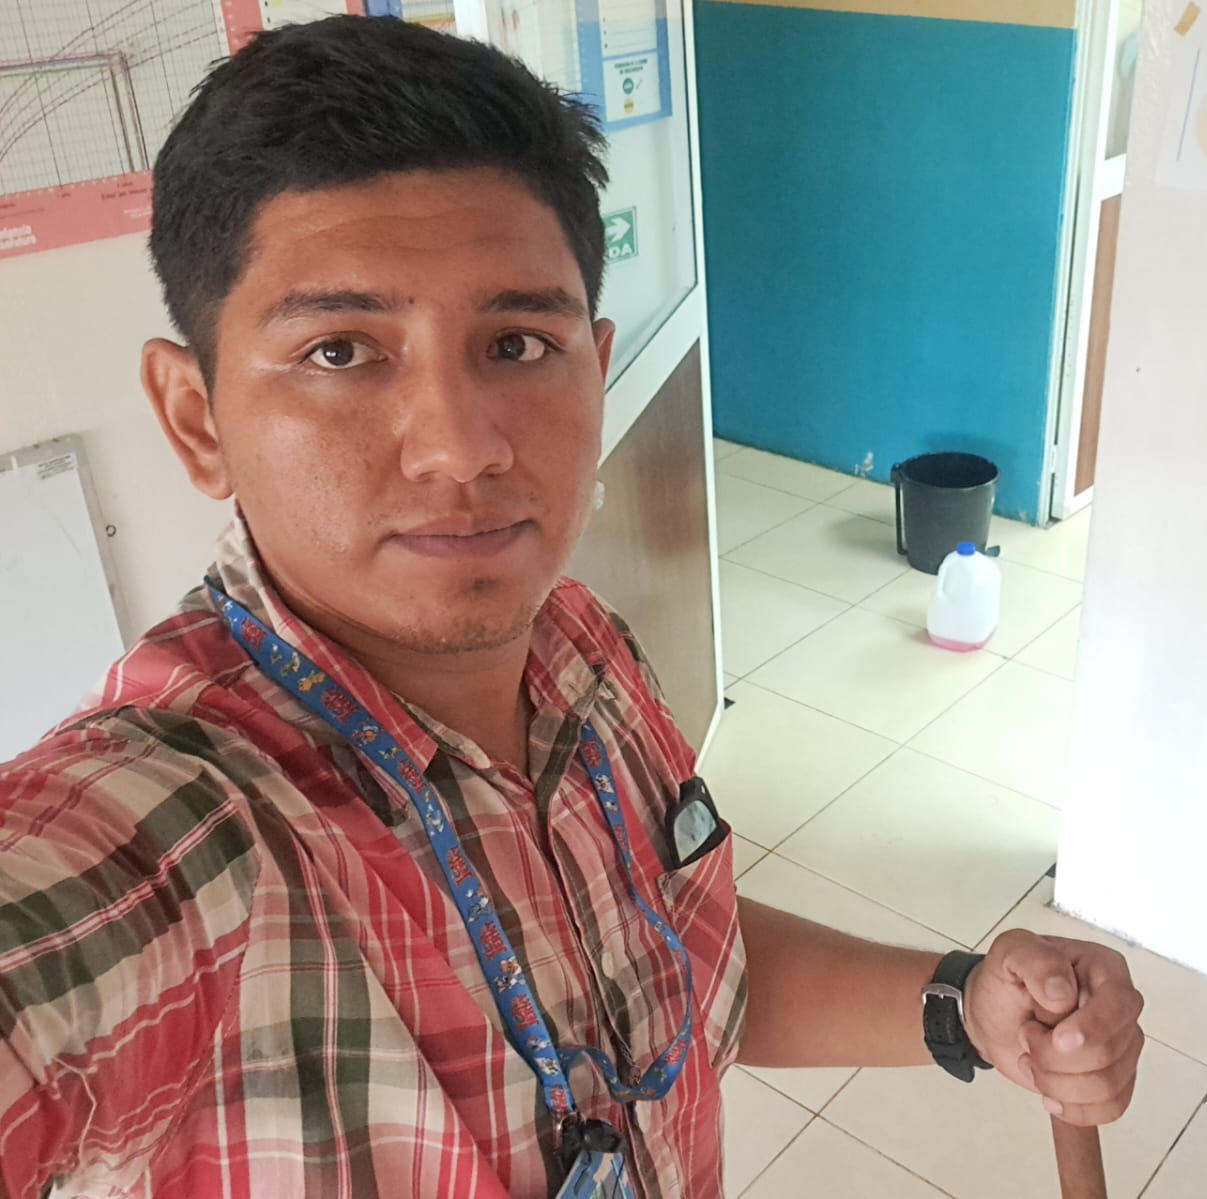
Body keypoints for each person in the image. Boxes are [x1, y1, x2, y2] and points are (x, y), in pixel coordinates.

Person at [0, 17, 1143, 1198]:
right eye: (341, 350)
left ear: (594, 367)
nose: (460, 446)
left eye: (515, 342)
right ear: (196, 419)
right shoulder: (180, 833)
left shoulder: (582, 653)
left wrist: (965, 1002)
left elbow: (684, 966)